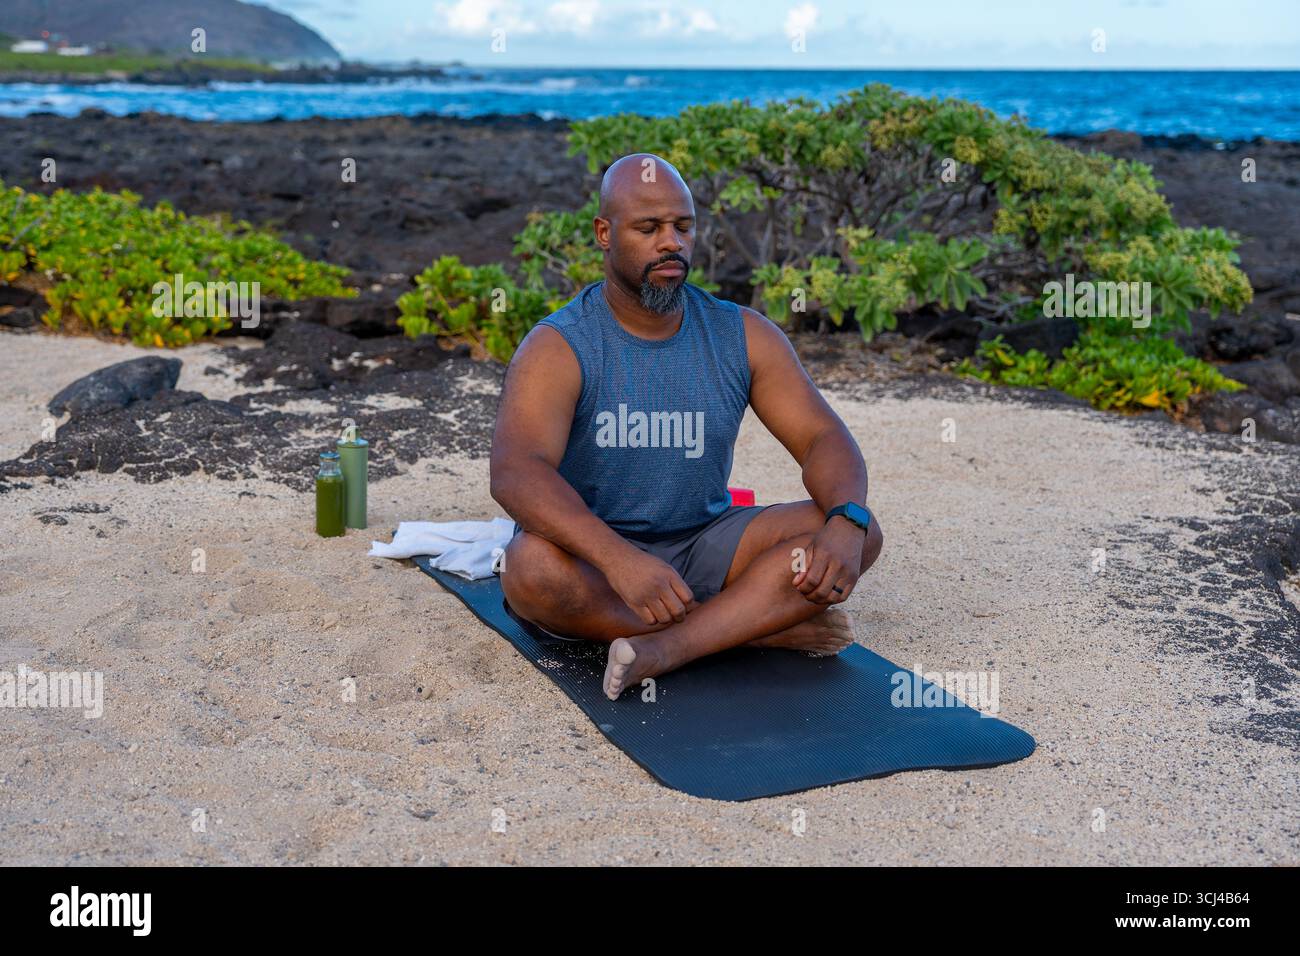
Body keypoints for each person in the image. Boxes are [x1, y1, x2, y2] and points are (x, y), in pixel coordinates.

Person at [489, 152, 884, 701]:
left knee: (857, 532)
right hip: (596, 561)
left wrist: (846, 519)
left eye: (683, 226)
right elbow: (516, 472)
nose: (670, 242)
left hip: (706, 541)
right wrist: (619, 559)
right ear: (605, 233)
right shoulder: (559, 345)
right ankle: (754, 629)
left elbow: (822, 438)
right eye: (648, 228)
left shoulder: (741, 333)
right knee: (530, 569)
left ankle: (667, 647)